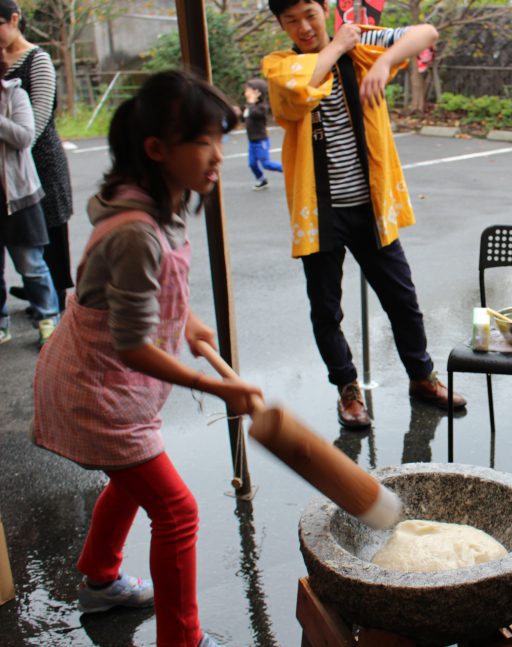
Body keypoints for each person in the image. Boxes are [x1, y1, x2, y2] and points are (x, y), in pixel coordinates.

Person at [32, 70, 263, 647]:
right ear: (157, 150)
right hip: (99, 389)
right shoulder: (134, 229)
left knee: (132, 483)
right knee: (177, 512)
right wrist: (215, 388)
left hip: (114, 383)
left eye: (221, 139)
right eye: (203, 141)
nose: (217, 156)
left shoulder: (167, 200)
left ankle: (101, 579)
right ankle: (180, 639)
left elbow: (143, 291)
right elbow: (133, 343)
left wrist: (186, 321)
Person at [262, 0, 465, 430]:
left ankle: (421, 377)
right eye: (291, 21)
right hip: (320, 211)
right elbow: (300, 91)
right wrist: (337, 46)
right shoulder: (280, 65)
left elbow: (426, 33)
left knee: (402, 300)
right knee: (326, 309)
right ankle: (348, 390)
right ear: (280, 25)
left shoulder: (360, 45)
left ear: (323, 10)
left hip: (371, 205)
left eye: (309, 15)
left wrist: (385, 61)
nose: (303, 27)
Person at [0, 0, 73, 313]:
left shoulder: (37, 60)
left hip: (39, 163)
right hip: (9, 165)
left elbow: (38, 122)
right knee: (23, 243)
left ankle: (54, 311)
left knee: (49, 238)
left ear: (14, 19)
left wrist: (13, 160)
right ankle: (37, 298)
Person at [0, 55, 57, 346]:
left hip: (19, 195)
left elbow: (24, 137)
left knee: (31, 265)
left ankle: (47, 318)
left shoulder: (15, 94)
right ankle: (2, 323)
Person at [242, 77, 283, 191]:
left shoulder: (262, 107)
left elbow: (256, 114)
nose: (245, 93)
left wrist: (251, 103)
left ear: (257, 92)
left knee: (266, 164)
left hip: (261, 141)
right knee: (252, 164)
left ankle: (288, 171)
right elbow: (244, 117)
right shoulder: (248, 106)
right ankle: (262, 180)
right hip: (252, 141)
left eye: (248, 90)